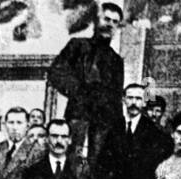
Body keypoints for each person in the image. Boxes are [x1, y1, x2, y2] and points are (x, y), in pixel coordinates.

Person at [46, 1, 125, 152]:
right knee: (72, 156)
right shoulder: (77, 46)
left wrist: (117, 126)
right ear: (97, 20)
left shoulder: (116, 61)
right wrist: (78, 91)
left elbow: (116, 96)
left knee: (97, 162)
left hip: (103, 121)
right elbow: (56, 71)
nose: (110, 25)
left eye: (115, 22)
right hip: (78, 114)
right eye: (106, 19)